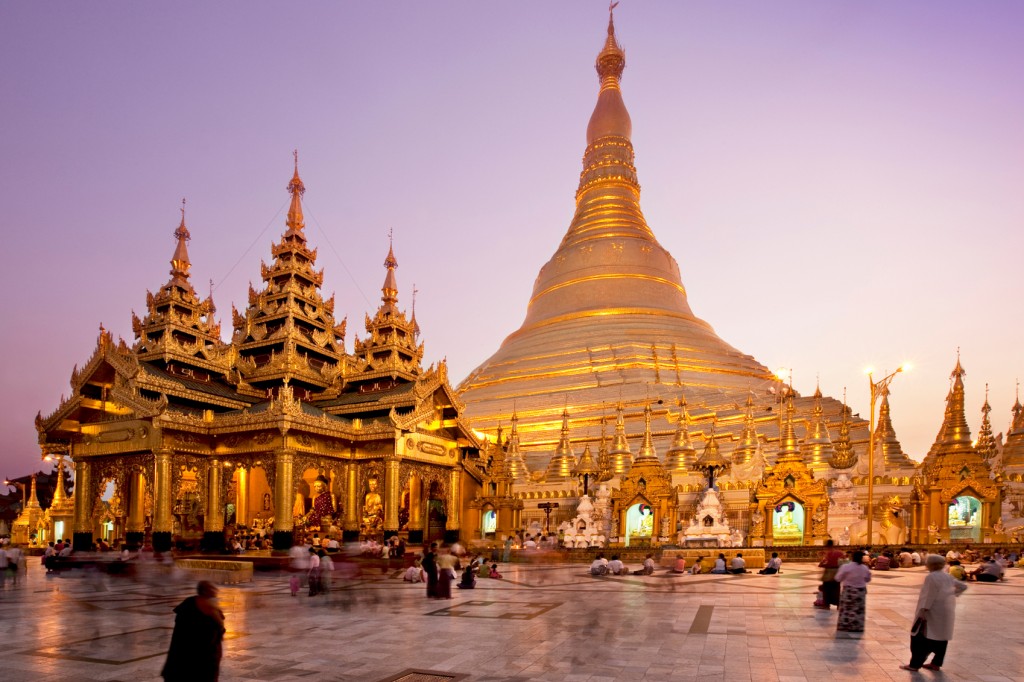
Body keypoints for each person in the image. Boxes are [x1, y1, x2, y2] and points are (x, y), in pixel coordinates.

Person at [901, 554, 968, 672]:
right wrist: (950, 594)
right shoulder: (947, 576)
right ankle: (936, 663)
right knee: (941, 636)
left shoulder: (931, 577)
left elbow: (929, 595)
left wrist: (923, 611)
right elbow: (963, 586)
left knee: (919, 638)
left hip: (931, 611)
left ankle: (915, 664)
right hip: (946, 610)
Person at [161, 581, 225, 682]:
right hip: (193, 656)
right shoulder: (189, 606)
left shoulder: (213, 607)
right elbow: (180, 634)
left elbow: (218, 633)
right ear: (204, 591)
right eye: (212, 588)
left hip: (208, 658)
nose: (216, 590)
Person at [834, 550, 872, 633]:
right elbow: (868, 579)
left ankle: (845, 625)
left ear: (852, 557)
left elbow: (838, 578)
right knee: (858, 609)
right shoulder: (864, 568)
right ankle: (857, 626)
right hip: (860, 591)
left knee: (847, 608)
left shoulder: (846, 567)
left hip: (849, 591)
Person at [816, 540, 845, 610]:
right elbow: (843, 563)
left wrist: (822, 564)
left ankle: (826, 605)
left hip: (829, 573)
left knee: (827, 589)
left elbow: (824, 563)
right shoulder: (840, 553)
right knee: (836, 589)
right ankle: (838, 605)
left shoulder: (829, 553)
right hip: (837, 573)